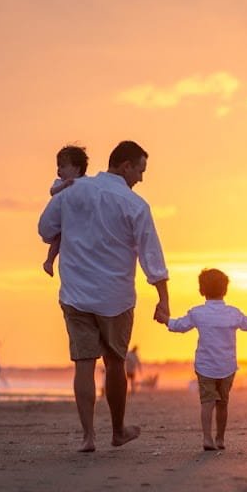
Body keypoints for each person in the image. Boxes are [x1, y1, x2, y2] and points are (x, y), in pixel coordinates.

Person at [37, 140, 171, 452]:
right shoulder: (135, 204)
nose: (141, 177)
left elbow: (45, 230)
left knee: (83, 364)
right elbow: (152, 255)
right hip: (115, 298)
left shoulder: (73, 190)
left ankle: (88, 437)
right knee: (115, 363)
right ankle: (118, 431)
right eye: (140, 169)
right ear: (125, 166)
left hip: (76, 295)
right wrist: (162, 298)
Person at [165, 268, 247, 450]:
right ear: (225, 290)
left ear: (201, 290)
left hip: (205, 366)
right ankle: (220, 439)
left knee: (207, 403)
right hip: (227, 366)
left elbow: (179, 326)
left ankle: (207, 438)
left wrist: (165, 319)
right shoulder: (233, 313)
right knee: (223, 404)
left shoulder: (197, 312)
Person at [42, 145, 89, 277]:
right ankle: (49, 261)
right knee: (58, 239)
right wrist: (64, 185)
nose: (59, 170)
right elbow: (52, 192)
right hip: (64, 223)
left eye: (63, 166)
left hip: (78, 224)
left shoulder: (86, 183)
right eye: (58, 166)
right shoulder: (59, 182)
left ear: (77, 168)